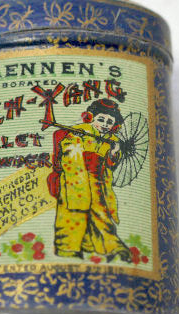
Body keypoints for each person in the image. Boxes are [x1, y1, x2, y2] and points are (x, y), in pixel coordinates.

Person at [47, 98, 131, 262]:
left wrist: (114, 152)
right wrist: (76, 140)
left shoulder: (112, 140)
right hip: (75, 177)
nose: (104, 124)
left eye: (109, 122)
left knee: (101, 212)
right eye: (101, 119)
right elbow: (66, 148)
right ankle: (67, 248)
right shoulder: (81, 130)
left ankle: (109, 246)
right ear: (92, 117)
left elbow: (110, 163)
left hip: (98, 180)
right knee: (73, 211)